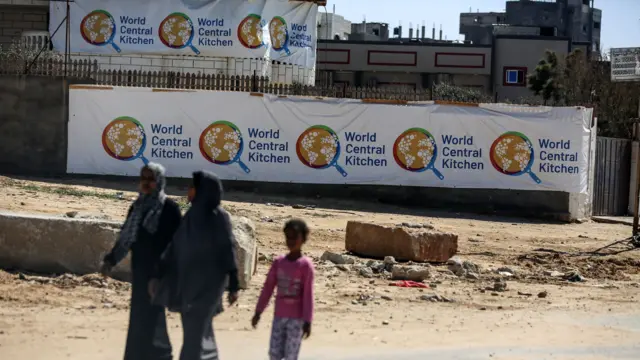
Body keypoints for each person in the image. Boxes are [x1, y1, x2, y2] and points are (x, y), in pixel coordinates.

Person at [151, 170, 240, 360]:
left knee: (194, 334)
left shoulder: (218, 217)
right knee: (194, 331)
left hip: (209, 286)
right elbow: (175, 246)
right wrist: (158, 272)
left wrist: (233, 284)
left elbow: (227, 248)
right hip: (188, 283)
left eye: (192, 187)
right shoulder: (191, 216)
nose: (188, 191)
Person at [101, 163, 181, 360]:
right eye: (143, 179)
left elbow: (176, 245)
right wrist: (111, 260)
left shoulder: (169, 209)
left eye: (150, 180)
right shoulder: (137, 207)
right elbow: (127, 237)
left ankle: (161, 355)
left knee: (154, 314)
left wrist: (163, 273)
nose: (146, 184)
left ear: (159, 182)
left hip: (159, 272)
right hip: (140, 270)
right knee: (138, 314)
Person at [252, 219, 315, 360]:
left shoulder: (306, 266)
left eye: (295, 237)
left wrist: (308, 320)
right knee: (274, 354)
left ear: (303, 238)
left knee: (290, 355)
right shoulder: (278, 263)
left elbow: (308, 295)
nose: (291, 240)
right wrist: (258, 311)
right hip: (279, 317)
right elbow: (268, 289)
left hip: (296, 319)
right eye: (288, 237)